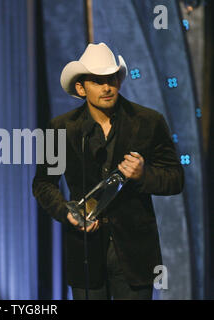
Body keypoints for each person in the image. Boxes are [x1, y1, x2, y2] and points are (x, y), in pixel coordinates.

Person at [32, 43, 184, 300]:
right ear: (81, 88)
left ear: (119, 81)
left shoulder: (149, 121)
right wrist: (68, 212)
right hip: (85, 253)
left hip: (135, 253)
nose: (107, 87)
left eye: (111, 78)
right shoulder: (60, 128)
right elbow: (43, 184)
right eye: (97, 81)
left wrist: (143, 175)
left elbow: (175, 179)